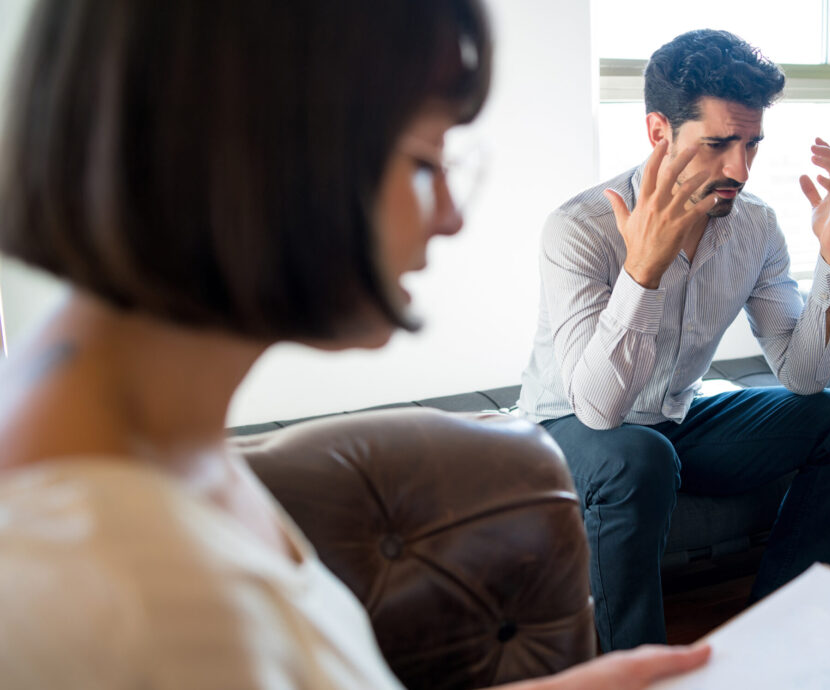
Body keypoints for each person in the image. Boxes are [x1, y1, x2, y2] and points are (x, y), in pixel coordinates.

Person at [0, 1, 708, 687]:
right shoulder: (95, 589)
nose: (452, 217)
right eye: (426, 160)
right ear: (256, 153)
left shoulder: (157, 442)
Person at [517, 29, 830, 651]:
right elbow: (599, 410)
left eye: (751, 144)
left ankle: (779, 626)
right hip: (566, 430)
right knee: (641, 455)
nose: (739, 168)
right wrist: (643, 272)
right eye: (718, 143)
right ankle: (638, 668)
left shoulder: (756, 226)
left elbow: (804, 378)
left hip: (671, 421)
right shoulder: (578, 228)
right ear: (659, 131)